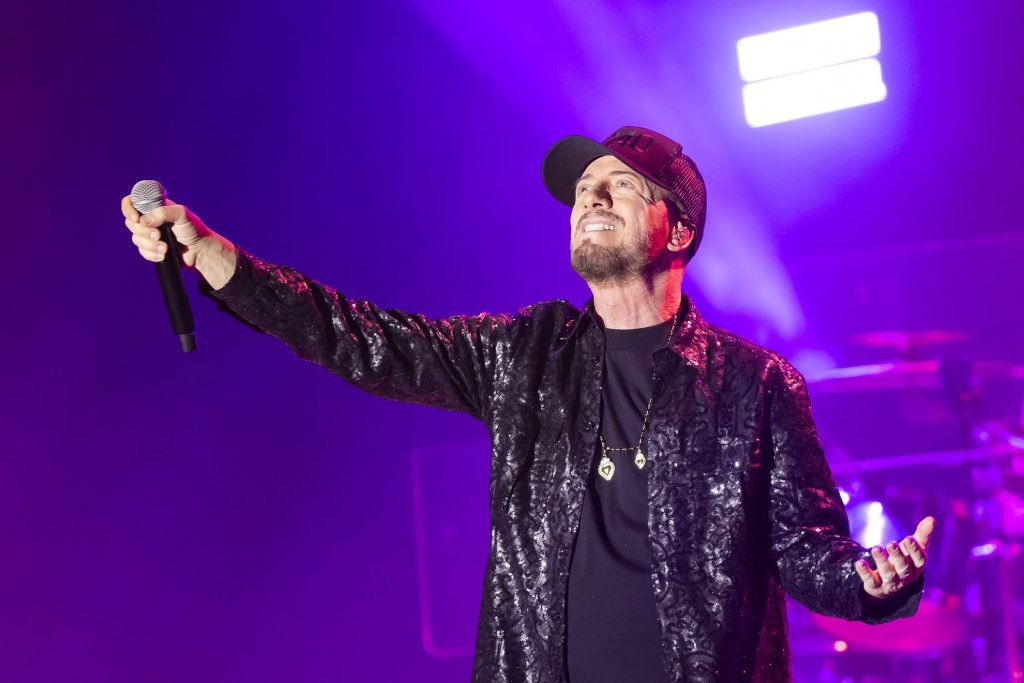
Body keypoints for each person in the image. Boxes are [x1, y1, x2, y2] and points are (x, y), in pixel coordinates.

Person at [121, 126, 934, 682]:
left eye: (620, 186)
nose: (592, 199)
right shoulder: (526, 354)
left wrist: (873, 579)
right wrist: (217, 258)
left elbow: (806, 551)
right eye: (584, 189)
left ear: (679, 229)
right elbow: (363, 339)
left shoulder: (756, 383)